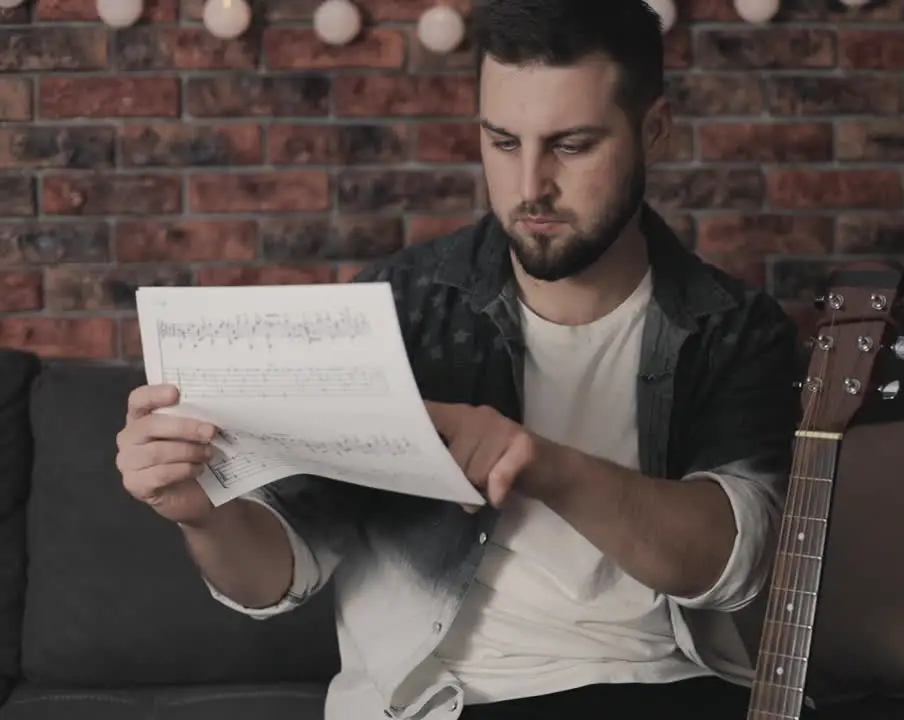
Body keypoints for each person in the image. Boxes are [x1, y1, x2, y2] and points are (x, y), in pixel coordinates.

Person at [114, 1, 807, 718]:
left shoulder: (734, 325)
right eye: (503, 142)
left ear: (652, 131)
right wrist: (201, 517)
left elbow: (733, 565)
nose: (529, 186)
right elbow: (277, 573)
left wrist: (540, 463)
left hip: (660, 689)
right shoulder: (401, 306)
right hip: (441, 701)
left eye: (570, 146)